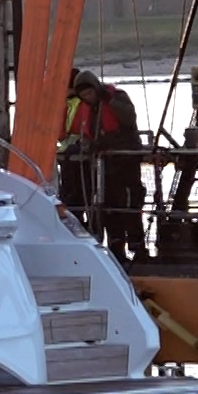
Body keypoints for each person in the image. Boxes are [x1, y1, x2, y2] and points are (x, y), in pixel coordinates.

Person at [67, 69, 146, 261]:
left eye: (90, 93)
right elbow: (87, 134)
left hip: (125, 162)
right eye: (84, 95)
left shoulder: (116, 97)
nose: (88, 98)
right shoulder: (88, 108)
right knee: (109, 208)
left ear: (96, 88)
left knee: (129, 202)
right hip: (104, 166)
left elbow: (129, 118)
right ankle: (116, 248)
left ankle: (138, 247)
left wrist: (109, 100)